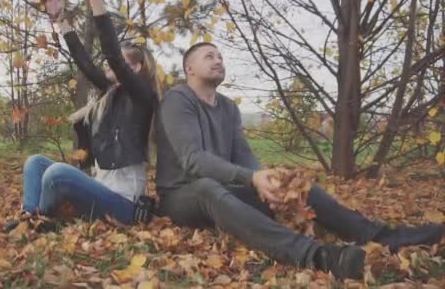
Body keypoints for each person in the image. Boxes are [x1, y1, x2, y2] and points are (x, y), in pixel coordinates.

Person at [155, 42, 445, 280]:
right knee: (206, 186)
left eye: (220, 56)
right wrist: (250, 178)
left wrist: (267, 183)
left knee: (302, 187)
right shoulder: (178, 100)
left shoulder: (229, 108)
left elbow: (244, 157)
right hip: (182, 194)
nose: (218, 60)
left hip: (223, 191)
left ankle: (386, 237)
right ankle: (317, 256)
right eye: (209, 56)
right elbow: (192, 160)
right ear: (189, 68)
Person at [6, 0, 160, 232]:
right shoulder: (109, 94)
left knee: (56, 173)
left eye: (121, 63)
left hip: (123, 205)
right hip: (98, 190)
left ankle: (42, 217)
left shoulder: (142, 96)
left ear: (136, 68)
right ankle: (29, 218)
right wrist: (60, 20)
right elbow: (85, 63)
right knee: (36, 163)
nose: (107, 63)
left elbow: (112, 54)